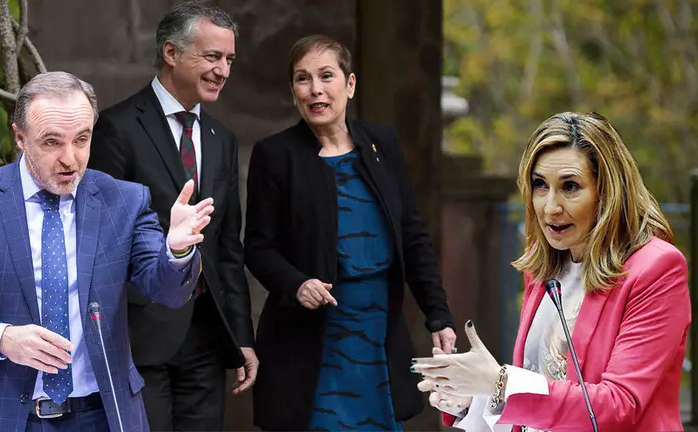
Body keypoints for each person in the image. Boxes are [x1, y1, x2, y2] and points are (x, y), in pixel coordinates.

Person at [0, 71, 211, 432]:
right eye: (52, 142)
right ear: (20, 137)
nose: (70, 159)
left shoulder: (123, 201)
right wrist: (0, 340)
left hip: (99, 416)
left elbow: (168, 291)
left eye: (82, 139)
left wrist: (176, 251)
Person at [413, 112, 690, 432]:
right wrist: (475, 396)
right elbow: (540, 393)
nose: (550, 206)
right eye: (540, 185)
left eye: (570, 186)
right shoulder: (543, 265)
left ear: (607, 192)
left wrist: (500, 382)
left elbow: (617, 406)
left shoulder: (657, 269)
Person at [243, 34, 457, 431]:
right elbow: (257, 246)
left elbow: (412, 235)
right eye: (303, 79)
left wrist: (438, 314)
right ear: (293, 91)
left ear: (350, 83)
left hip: (376, 330)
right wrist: (296, 283)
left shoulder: (382, 144)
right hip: (311, 341)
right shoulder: (276, 155)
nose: (316, 89)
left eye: (327, 76)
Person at [87, 2, 256, 430]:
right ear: (171, 52)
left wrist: (241, 337)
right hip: (140, 337)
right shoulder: (116, 128)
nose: (223, 70)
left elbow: (226, 248)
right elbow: (102, 243)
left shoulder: (222, 138)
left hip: (206, 333)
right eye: (212, 56)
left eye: (229, 59)